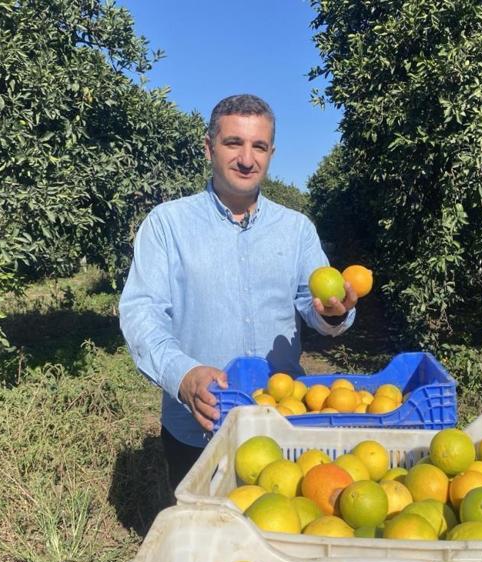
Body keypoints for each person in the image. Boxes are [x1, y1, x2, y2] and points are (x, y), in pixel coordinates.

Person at [119, 94, 357, 491]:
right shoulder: (167, 225)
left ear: (271, 153)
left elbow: (313, 303)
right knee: (201, 526)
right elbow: (141, 312)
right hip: (199, 425)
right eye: (234, 143)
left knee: (281, 520)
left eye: (259, 146)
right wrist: (183, 375)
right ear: (209, 147)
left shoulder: (296, 229)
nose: (247, 159)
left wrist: (334, 312)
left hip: (282, 421)